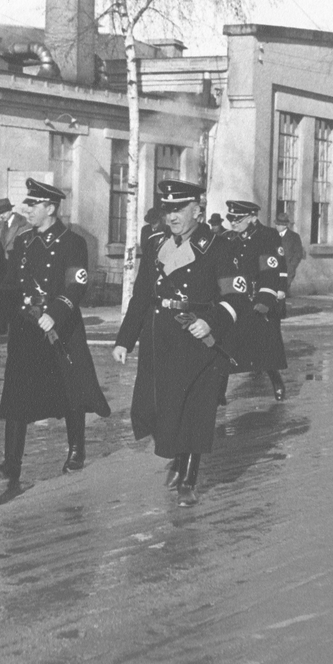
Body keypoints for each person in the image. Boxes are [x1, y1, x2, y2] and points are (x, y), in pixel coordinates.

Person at [113, 180, 248, 507]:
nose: (172, 216)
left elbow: (237, 296)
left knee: (193, 412)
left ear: (197, 210)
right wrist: (124, 340)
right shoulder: (156, 242)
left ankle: (188, 477)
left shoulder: (218, 247)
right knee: (154, 408)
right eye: (167, 209)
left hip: (196, 337)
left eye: (179, 209)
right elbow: (142, 295)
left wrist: (211, 321)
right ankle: (175, 454)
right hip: (159, 337)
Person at [0, 178, 111, 488]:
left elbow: (76, 285)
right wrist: (4, 313)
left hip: (59, 327)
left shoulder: (72, 242)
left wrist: (55, 314)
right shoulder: (23, 241)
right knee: (16, 392)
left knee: (70, 390)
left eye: (33, 204)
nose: (28, 210)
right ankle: (12, 461)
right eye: (28, 204)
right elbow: (11, 282)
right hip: (26, 327)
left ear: (50, 207)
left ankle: (76, 449)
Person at [220, 199, 288, 400]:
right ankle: (220, 390)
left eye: (238, 219)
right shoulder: (228, 237)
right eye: (231, 218)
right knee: (227, 343)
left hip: (259, 296)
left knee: (265, 345)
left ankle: (275, 379)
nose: (233, 223)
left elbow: (273, 267)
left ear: (252, 217)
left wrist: (268, 297)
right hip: (235, 298)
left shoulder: (267, 236)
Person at [0, 198, 29, 336]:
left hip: (15, 264)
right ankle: (1, 326)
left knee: (14, 295)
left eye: (4, 212)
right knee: (0, 295)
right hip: (1, 265)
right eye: (0, 213)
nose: (2, 215)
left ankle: (16, 325)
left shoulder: (23, 225)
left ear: (10, 210)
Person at [274, 211, 306, 302]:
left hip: (287, 269)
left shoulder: (294, 237)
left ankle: (281, 311)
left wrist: (291, 266)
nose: (277, 226)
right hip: (274, 268)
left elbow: (298, 254)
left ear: (284, 226)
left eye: (279, 224)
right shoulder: (272, 235)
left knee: (282, 291)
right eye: (276, 224)